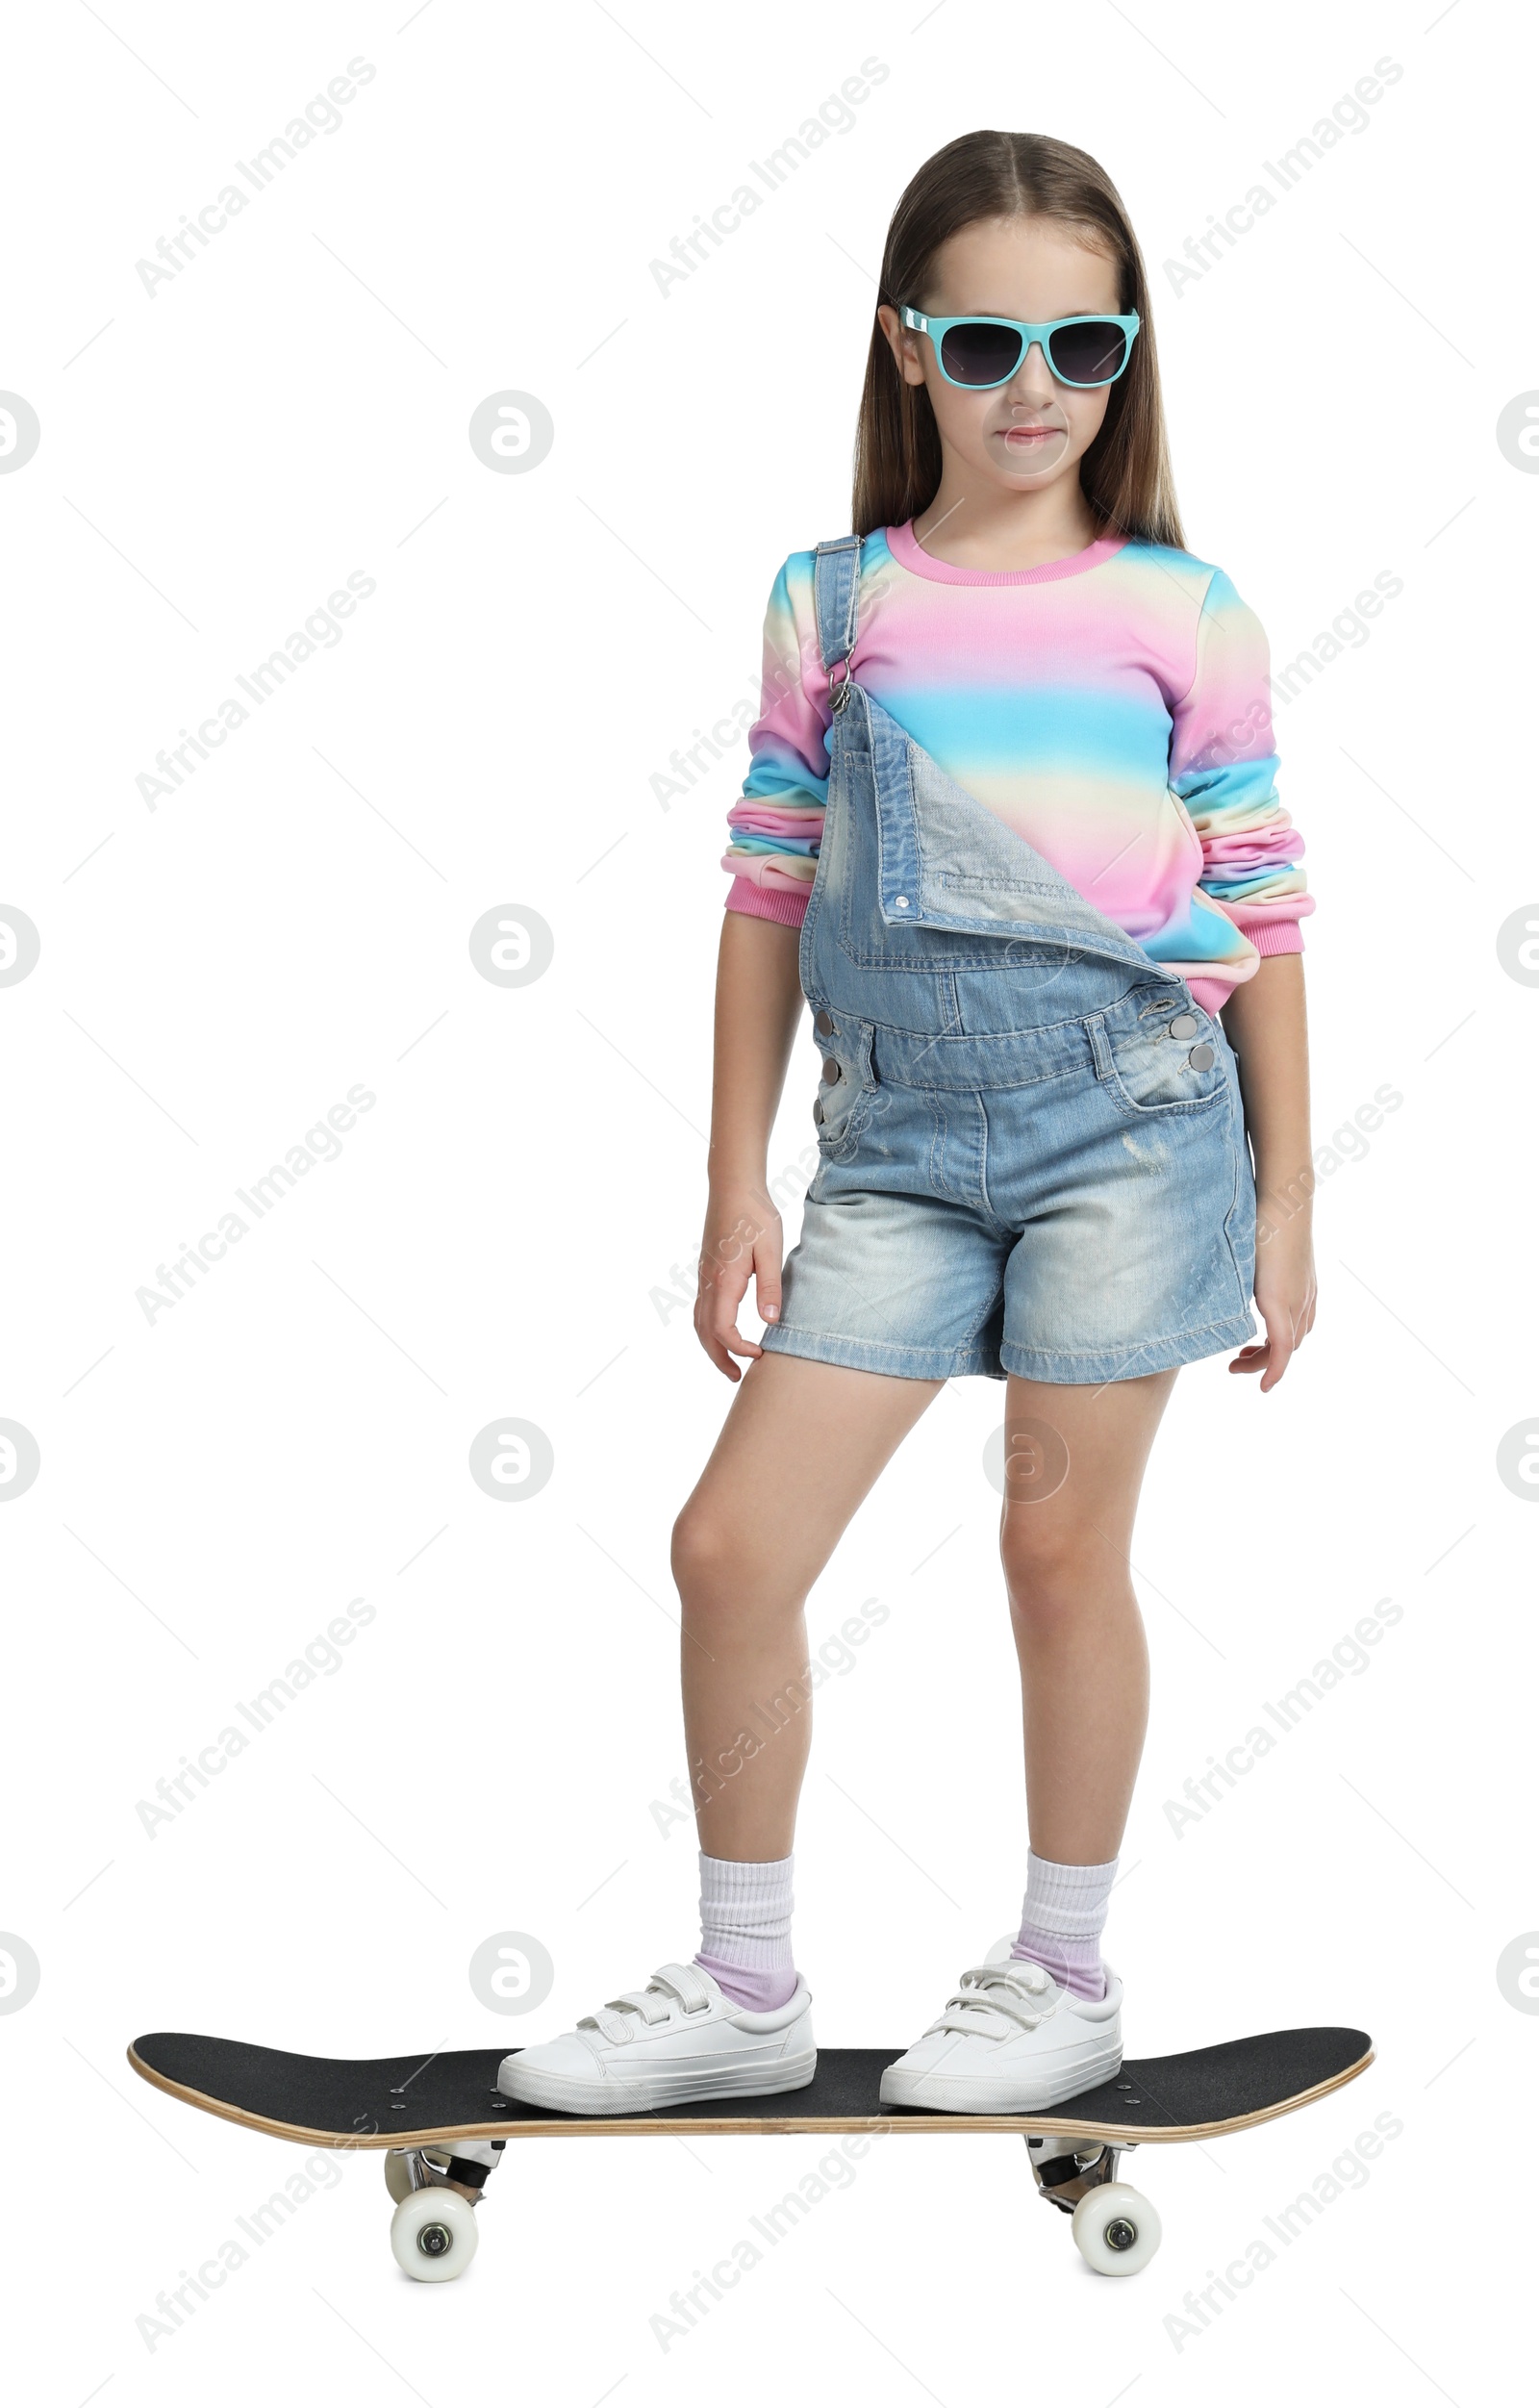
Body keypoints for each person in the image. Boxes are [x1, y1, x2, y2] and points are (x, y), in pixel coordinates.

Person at [498, 128, 1315, 2118]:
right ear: (903, 346)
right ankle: (747, 1980)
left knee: (1052, 1548)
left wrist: (1291, 1200)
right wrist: (728, 1180)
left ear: (1126, 359)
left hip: (1131, 1133)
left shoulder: (1181, 611)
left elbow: (1265, 906)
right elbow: (766, 895)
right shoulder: (830, 602)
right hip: (890, 1158)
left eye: (1080, 343)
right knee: (726, 1545)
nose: (1031, 388)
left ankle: (1057, 1971)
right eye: (981, 341)